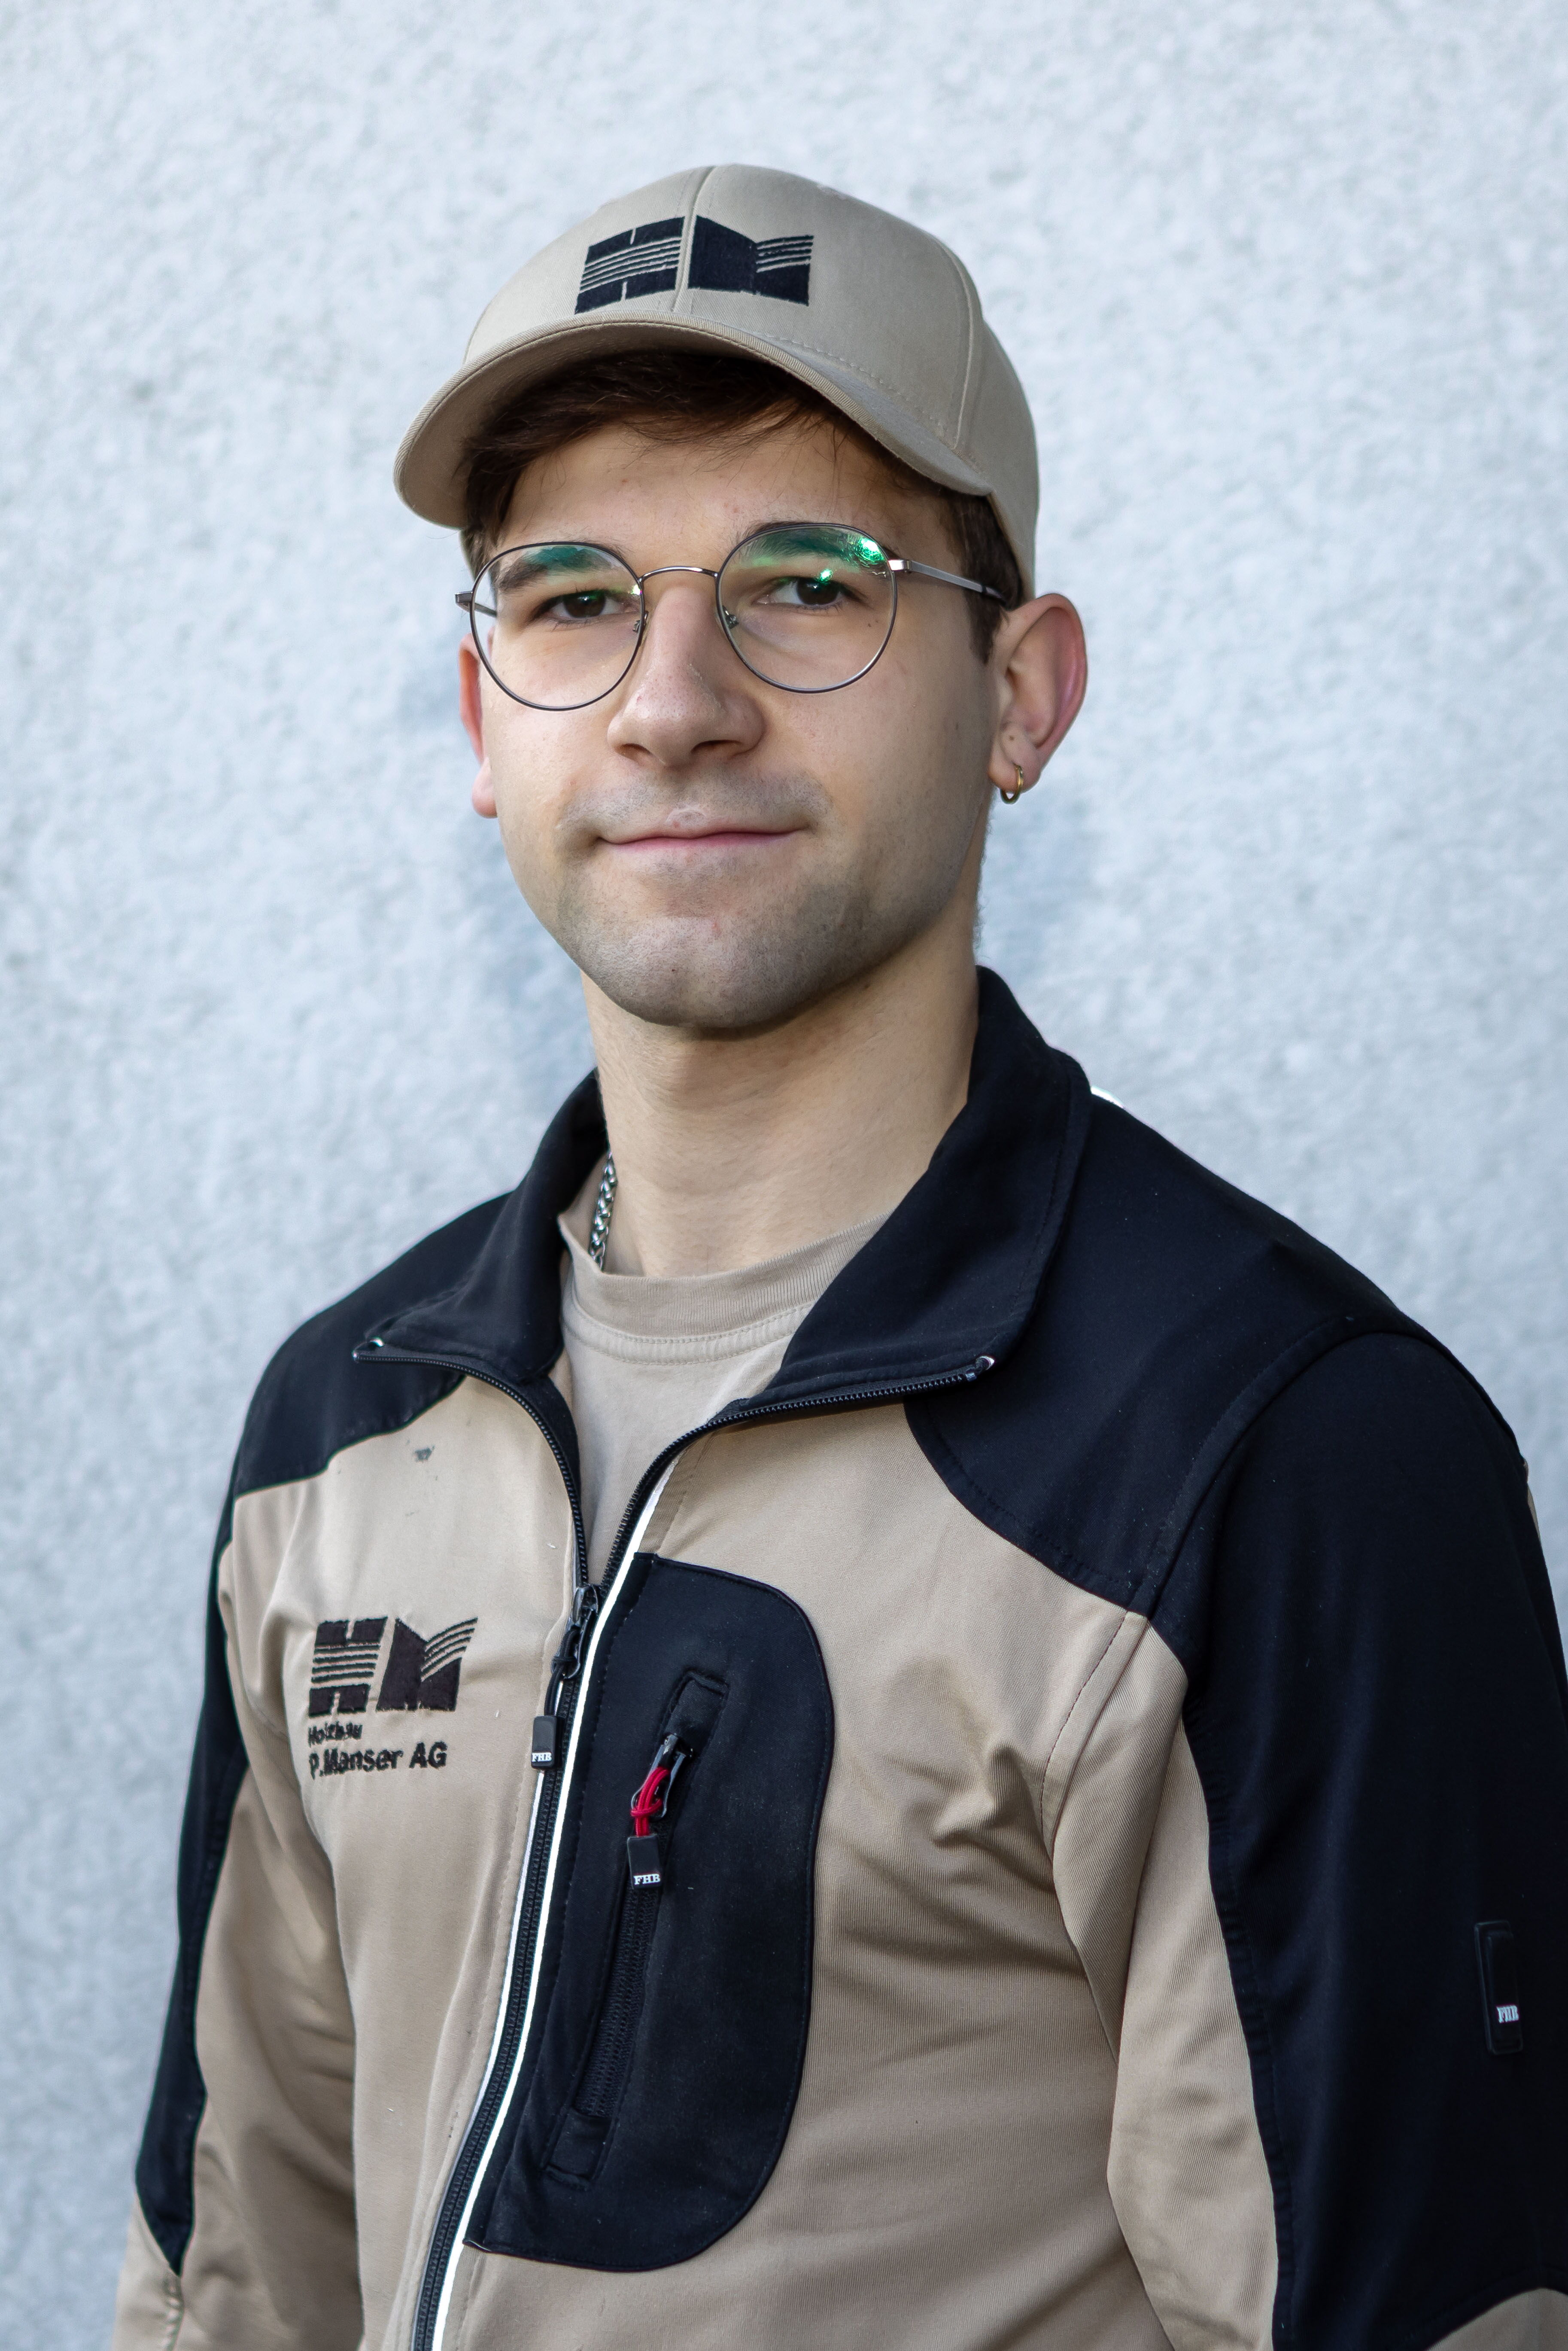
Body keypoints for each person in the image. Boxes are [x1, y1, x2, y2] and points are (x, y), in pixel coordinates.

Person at [113, 164, 1568, 2351]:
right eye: (573, 593)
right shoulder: (352, 1427)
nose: (675, 698)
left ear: (1022, 692)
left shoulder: (1281, 1468)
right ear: (480, 712)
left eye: (812, 578)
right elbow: (240, 2281)